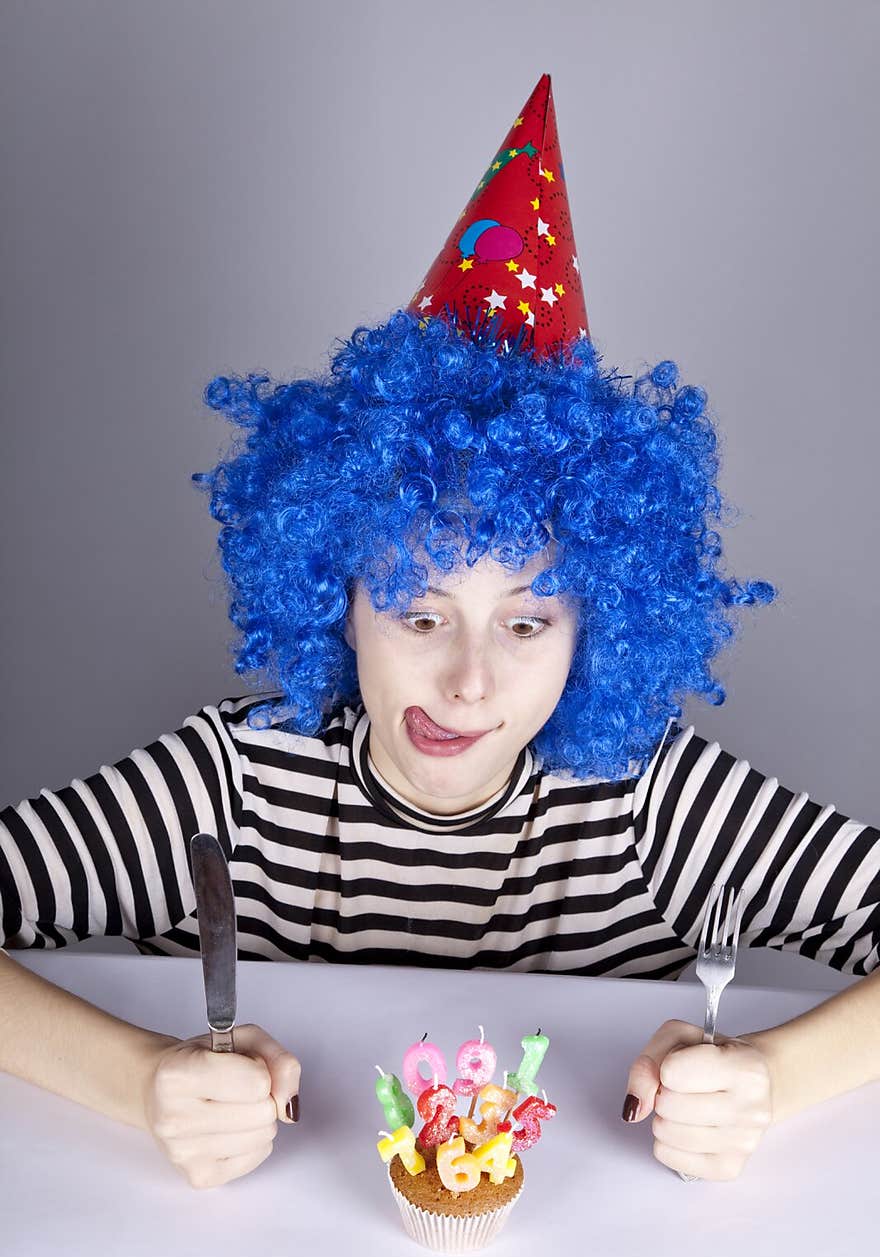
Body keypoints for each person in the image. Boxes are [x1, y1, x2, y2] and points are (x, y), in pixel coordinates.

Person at [1, 76, 878, 1190]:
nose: (469, 681)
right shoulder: (230, 781)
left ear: (592, 627)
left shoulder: (652, 795)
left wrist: (771, 1076)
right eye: (419, 612)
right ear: (340, 599)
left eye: (526, 620)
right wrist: (134, 1077)